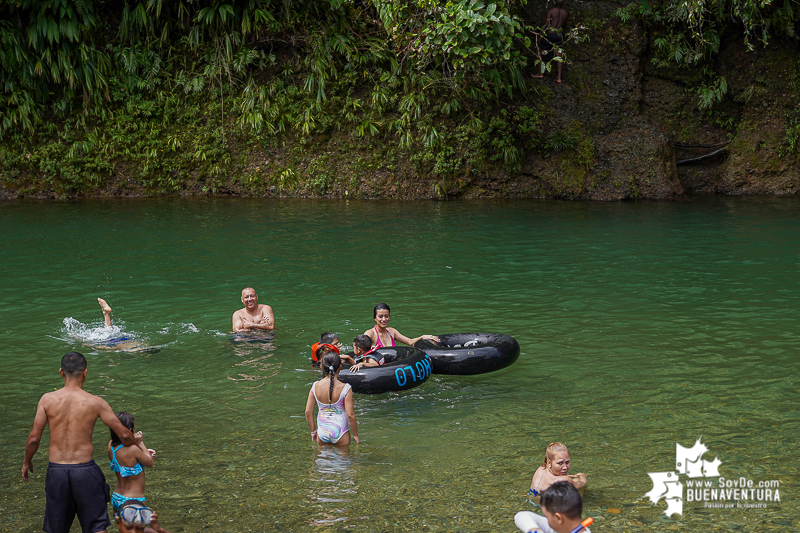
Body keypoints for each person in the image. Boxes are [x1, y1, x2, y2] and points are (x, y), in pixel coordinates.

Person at [22, 352, 136, 533]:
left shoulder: (47, 400)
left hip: (56, 472)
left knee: (56, 528)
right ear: (85, 373)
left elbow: (34, 438)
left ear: (61, 372)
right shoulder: (96, 402)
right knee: (96, 527)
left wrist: (27, 461)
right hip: (85, 472)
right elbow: (123, 434)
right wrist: (136, 442)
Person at [304, 350, 360, 446]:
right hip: (341, 432)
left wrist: (313, 431)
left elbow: (308, 412)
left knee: (322, 460)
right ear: (340, 366)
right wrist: (356, 435)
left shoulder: (315, 386)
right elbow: (350, 415)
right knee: (343, 460)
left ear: (322, 366)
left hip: (322, 431)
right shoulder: (346, 388)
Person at [108, 412, 156, 512]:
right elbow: (150, 463)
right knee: (138, 528)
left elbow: (127, 458)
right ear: (130, 430)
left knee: (122, 528)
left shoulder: (111, 446)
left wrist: (143, 452)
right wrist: (141, 443)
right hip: (133, 501)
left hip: (117, 497)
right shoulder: (133, 450)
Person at [515, 482, 592, 533]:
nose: (547, 522)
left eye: (547, 517)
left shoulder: (559, 527)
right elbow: (522, 516)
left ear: (558, 517)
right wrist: (535, 530)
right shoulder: (562, 528)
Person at [364, 303, 439, 349]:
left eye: (386, 316)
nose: (384, 319)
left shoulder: (392, 331)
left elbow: (409, 342)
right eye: (380, 316)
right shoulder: (370, 334)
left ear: (389, 317)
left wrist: (422, 337)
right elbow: (361, 349)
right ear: (375, 318)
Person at [533, 0, 568, 83]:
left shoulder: (551, 11)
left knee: (538, 50)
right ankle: (559, 78)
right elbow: (564, 25)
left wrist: (541, 36)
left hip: (550, 34)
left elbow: (547, 25)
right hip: (559, 35)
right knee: (559, 56)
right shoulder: (565, 13)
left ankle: (540, 73)